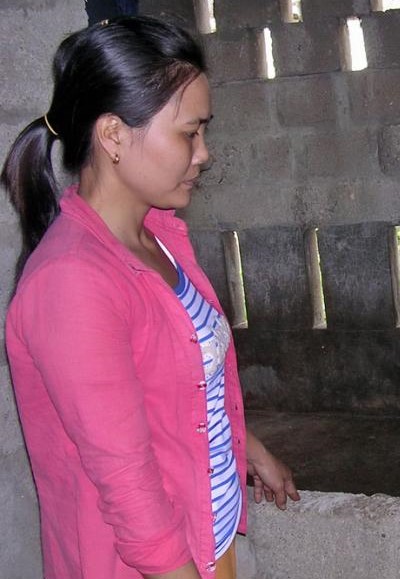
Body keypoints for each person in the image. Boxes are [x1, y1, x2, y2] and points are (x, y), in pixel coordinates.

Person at [2, 16, 299, 579]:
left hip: (205, 540)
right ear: (113, 135)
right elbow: (129, 488)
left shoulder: (157, 236)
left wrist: (244, 445)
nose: (204, 153)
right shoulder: (73, 282)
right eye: (189, 133)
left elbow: (177, 384)